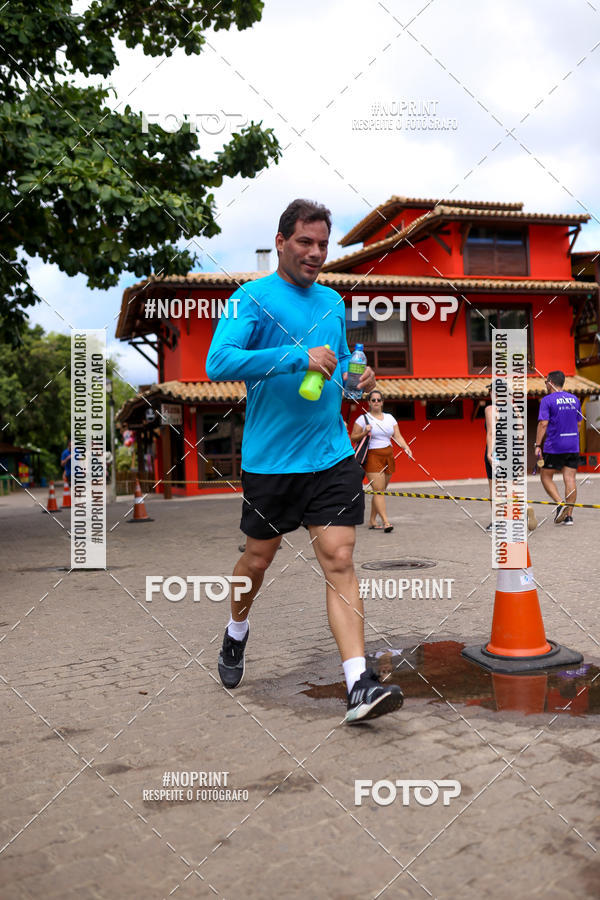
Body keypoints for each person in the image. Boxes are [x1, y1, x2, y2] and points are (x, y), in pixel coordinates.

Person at [206, 199, 403, 724]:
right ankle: (236, 630)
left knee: (339, 559)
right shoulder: (248, 299)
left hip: (330, 455)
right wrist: (297, 356)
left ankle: (358, 683)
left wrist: (359, 381)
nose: (316, 253)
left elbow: (335, 375)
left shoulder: (333, 302)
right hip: (271, 462)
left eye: (322, 244)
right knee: (257, 561)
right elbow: (218, 362)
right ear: (281, 241)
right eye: (305, 242)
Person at [350, 391, 413, 532]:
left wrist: (406, 447)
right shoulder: (363, 419)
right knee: (378, 491)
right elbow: (353, 437)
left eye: (379, 400)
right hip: (372, 456)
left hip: (388, 455)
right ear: (369, 402)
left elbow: (397, 436)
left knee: (381, 491)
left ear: (383, 402)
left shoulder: (390, 418)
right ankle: (386, 522)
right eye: (373, 400)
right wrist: (364, 432)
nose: (376, 402)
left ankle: (372, 521)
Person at [484, 382, 537, 532]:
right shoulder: (515, 408)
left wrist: (489, 453)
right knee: (512, 485)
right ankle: (525, 507)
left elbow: (492, 432)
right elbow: (520, 433)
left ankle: (498, 521)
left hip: (497, 451)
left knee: (495, 488)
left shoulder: (490, 409)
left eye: (490, 391)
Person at [535, 371, 582, 526]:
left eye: (546, 383)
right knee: (570, 479)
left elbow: (543, 424)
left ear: (550, 382)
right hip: (573, 444)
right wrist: (572, 438)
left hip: (555, 446)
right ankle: (569, 516)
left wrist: (537, 445)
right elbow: (579, 423)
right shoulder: (575, 399)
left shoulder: (547, 400)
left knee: (545, 476)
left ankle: (560, 504)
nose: (545, 385)